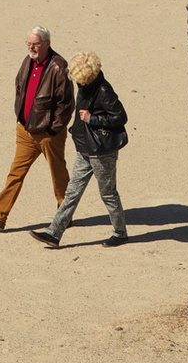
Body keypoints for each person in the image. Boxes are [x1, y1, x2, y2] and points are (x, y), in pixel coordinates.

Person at [0, 27, 74, 230]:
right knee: (15, 173)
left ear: (47, 43)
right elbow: (19, 87)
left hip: (48, 134)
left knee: (58, 173)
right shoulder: (27, 61)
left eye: (36, 43)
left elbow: (66, 104)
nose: (31, 47)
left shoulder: (59, 67)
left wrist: (53, 129)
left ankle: (65, 212)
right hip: (26, 131)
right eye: (29, 43)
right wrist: (20, 118)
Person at [30, 51, 130, 248]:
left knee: (108, 193)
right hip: (85, 148)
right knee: (72, 192)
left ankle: (120, 233)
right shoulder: (84, 85)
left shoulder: (103, 91)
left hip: (102, 152)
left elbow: (120, 117)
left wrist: (92, 119)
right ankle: (54, 233)